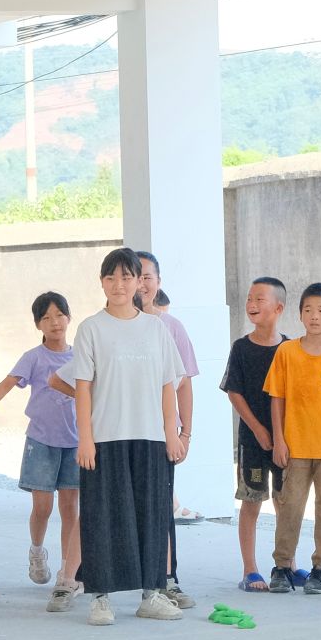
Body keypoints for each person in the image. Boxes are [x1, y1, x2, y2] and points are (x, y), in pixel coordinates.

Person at [70, 247, 185, 627]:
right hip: (105, 437)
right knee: (101, 517)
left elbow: (168, 385)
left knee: (152, 516)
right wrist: (85, 439)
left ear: (139, 282)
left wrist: (172, 433)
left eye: (126, 277)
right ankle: (100, 598)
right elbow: (83, 388)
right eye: (111, 277)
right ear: (102, 282)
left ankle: (151, 594)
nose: (118, 284)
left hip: (151, 437)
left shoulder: (156, 328)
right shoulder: (91, 328)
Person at [0, 291, 82, 609]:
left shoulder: (79, 356)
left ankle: (67, 570)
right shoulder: (34, 357)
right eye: (46, 317)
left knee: (70, 508)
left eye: (59, 315)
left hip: (75, 442)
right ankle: (37, 550)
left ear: (68, 318)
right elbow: (8, 383)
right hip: (41, 441)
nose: (54, 322)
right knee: (43, 507)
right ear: (38, 324)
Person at [264, 283, 321, 596]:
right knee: (289, 507)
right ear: (300, 315)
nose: (314, 316)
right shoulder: (286, 352)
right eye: (308, 310)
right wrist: (279, 440)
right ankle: (282, 566)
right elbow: (277, 398)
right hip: (295, 447)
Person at [134, 250, 200, 606]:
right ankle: (85, 577)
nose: (141, 283)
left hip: (161, 435)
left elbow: (184, 385)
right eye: (135, 275)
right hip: (118, 433)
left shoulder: (172, 327)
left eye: (148, 276)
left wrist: (183, 434)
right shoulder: (105, 326)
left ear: (158, 282)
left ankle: (167, 579)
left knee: (161, 509)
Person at [221, 276, 287, 592]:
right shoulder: (241, 348)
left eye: (260, 299)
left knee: (286, 503)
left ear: (278, 308)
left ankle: (287, 565)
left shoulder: (290, 349)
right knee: (252, 502)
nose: (252, 304)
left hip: (286, 442)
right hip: (252, 442)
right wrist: (258, 429)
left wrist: (282, 436)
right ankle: (250, 569)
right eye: (250, 298)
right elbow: (233, 391)